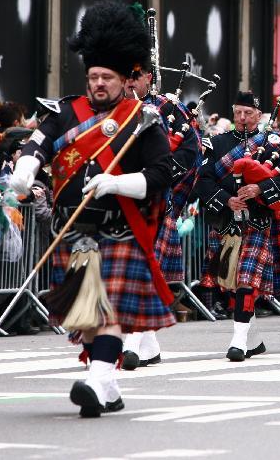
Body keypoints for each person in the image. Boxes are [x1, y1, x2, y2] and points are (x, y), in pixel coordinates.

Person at [9, 0, 175, 417]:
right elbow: (39, 143)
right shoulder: (66, 112)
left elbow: (161, 174)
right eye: (93, 76)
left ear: (125, 79)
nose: (98, 83)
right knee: (84, 321)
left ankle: (97, 379)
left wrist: (117, 182)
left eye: (107, 77)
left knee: (109, 312)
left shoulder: (144, 121)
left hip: (120, 230)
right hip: (73, 231)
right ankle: (109, 388)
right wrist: (25, 169)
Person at [197, 91, 280, 360]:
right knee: (234, 283)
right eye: (238, 113)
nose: (243, 118)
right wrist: (227, 199)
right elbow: (204, 180)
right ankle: (252, 339)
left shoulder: (275, 143)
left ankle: (237, 341)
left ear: (259, 116)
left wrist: (260, 188)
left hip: (259, 222)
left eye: (248, 113)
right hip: (227, 223)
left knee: (246, 278)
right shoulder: (218, 143)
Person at [119, 59, 203, 369]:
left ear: (148, 78)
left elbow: (190, 150)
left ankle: (130, 344)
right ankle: (149, 345)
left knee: (140, 273)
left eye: (134, 77)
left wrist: (158, 176)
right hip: (119, 202)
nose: (128, 83)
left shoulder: (166, 108)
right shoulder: (111, 111)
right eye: (124, 77)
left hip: (154, 202)